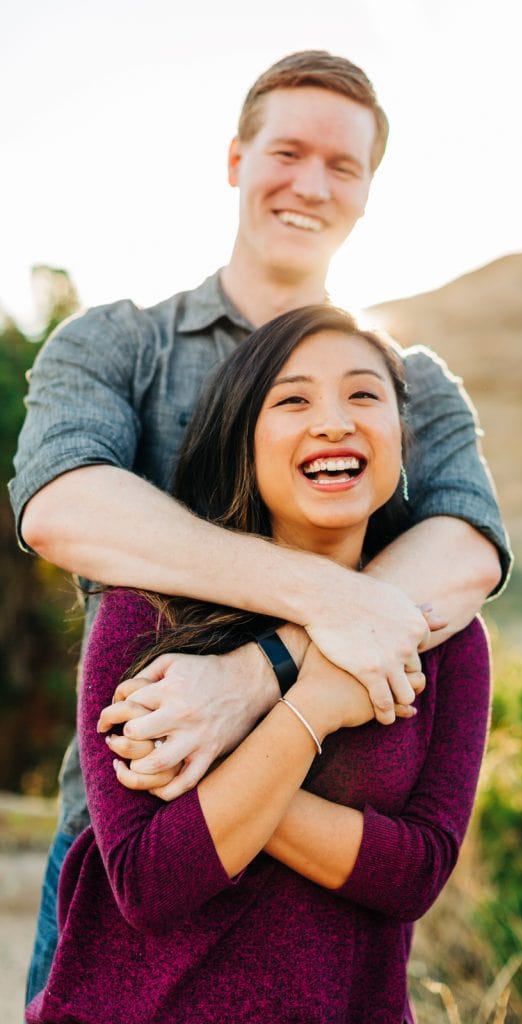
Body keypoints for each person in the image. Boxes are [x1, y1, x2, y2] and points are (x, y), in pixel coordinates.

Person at [10, 50, 511, 1005]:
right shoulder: (118, 345)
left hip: (327, 906)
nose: (310, 184)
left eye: (344, 165)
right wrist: (324, 605)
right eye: (287, 151)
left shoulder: (415, 388)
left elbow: (465, 550)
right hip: (136, 837)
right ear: (236, 158)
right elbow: (64, 504)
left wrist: (260, 675)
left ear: (369, 191)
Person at [26, 306, 492, 1024]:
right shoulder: (142, 610)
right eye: (293, 399)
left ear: (403, 438)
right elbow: (151, 881)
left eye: (363, 395)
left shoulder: (445, 635)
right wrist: (314, 708)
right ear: (242, 439)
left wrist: (222, 776)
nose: (334, 421)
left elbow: (416, 874)